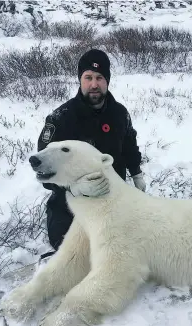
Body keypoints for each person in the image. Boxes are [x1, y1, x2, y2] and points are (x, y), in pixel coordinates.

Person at [38, 49, 146, 251]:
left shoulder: (120, 114)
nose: (94, 84)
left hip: (114, 198)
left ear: (107, 80)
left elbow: (130, 146)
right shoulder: (61, 118)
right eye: (88, 77)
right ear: (80, 80)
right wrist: (74, 187)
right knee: (73, 251)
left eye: (99, 77)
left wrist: (137, 174)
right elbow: (43, 169)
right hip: (70, 206)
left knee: (131, 244)